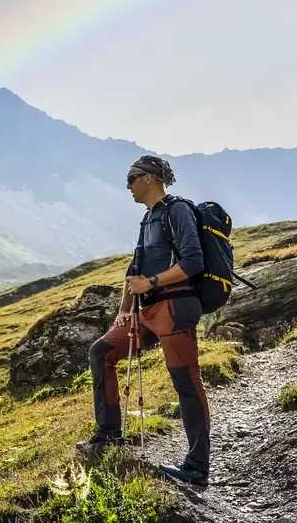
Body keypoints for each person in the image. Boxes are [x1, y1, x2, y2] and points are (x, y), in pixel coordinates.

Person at [76, 155, 211, 486]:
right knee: (101, 352)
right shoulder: (148, 219)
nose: (128, 185)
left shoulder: (177, 210)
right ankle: (108, 434)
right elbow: (133, 271)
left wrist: (151, 284)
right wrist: (125, 309)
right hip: (146, 312)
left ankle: (197, 466)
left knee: (185, 380)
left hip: (175, 307)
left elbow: (193, 261)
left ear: (150, 178)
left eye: (132, 178)